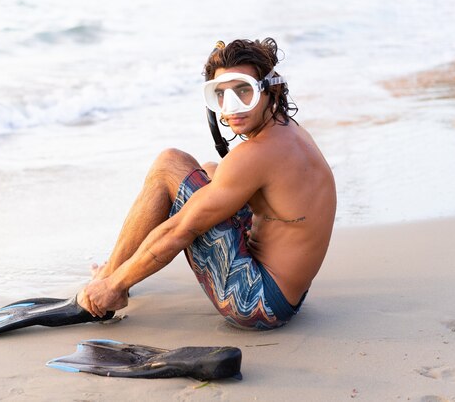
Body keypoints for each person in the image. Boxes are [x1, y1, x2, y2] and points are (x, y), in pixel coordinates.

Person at [77, 38, 337, 330]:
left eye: (243, 91)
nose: (231, 107)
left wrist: (116, 282)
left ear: (270, 90)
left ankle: (110, 285)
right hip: (289, 295)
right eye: (221, 95)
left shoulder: (257, 154)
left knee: (169, 164)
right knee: (211, 170)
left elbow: (180, 230)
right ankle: (113, 276)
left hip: (256, 302)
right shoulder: (290, 133)